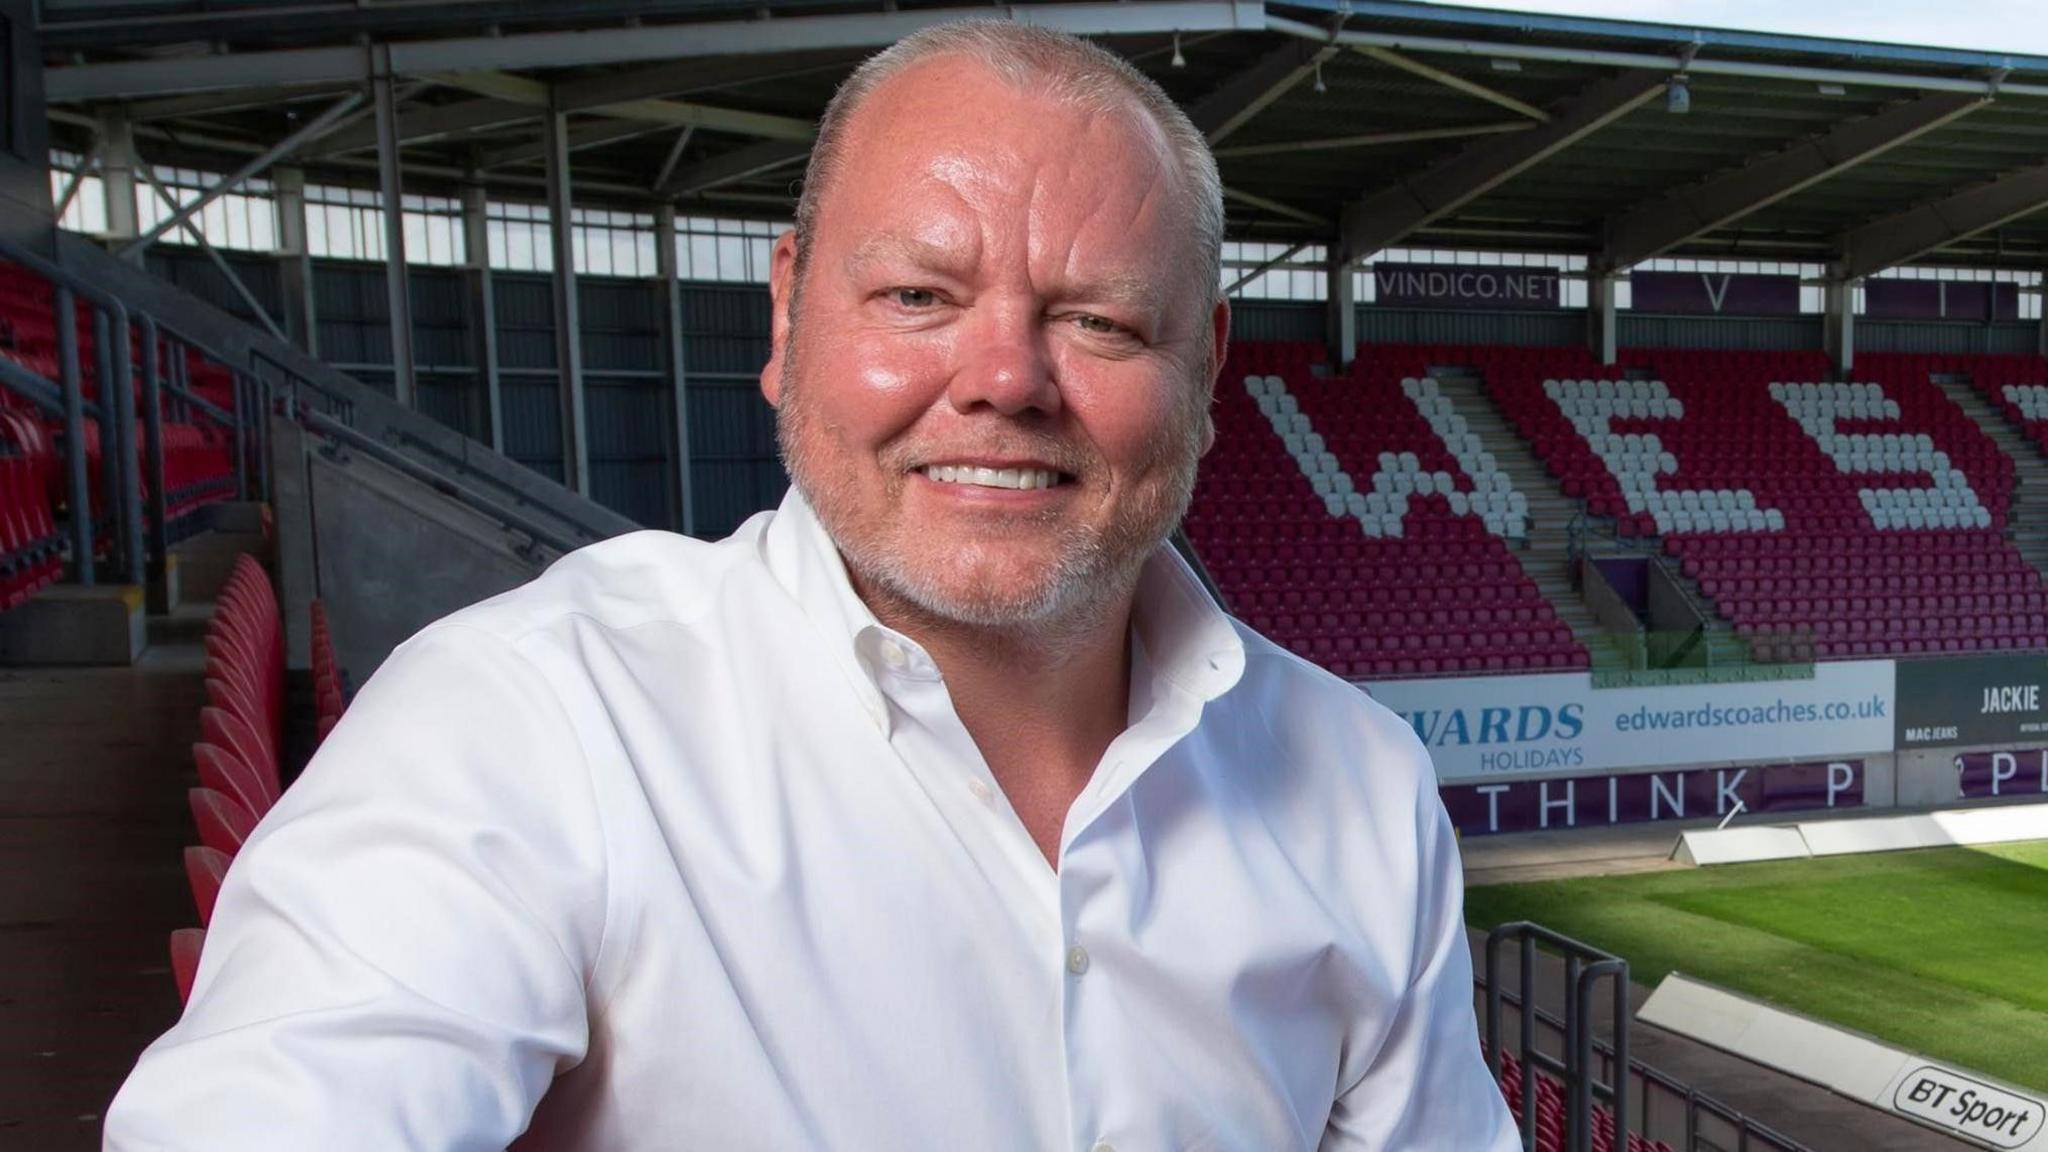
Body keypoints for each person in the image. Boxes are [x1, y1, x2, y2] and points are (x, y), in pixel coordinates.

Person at [106, 21, 1517, 1151]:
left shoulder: (1361, 784)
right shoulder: (528, 722)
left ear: (1205, 370)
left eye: (1098, 319)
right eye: (917, 298)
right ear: (785, 316)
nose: (1006, 380)